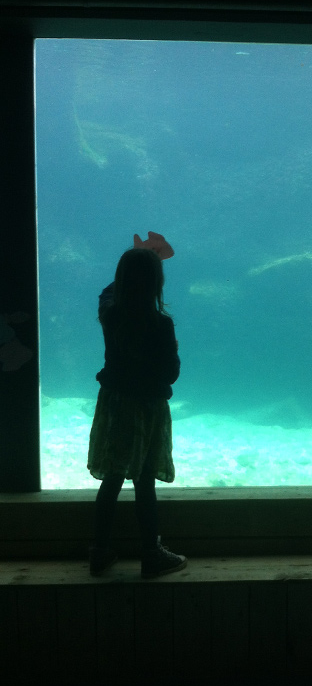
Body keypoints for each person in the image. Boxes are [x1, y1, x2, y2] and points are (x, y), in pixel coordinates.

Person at [87, 233, 187, 579]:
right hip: (147, 409)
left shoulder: (110, 315)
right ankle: (150, 553)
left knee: (112, 479)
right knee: (145, 483)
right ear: (158, 283)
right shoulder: (162, 324)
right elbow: (171, 373)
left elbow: (108, 292)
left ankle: (99, 553)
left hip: (115, 406)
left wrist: (139, 256)